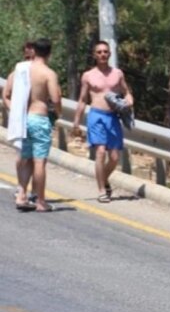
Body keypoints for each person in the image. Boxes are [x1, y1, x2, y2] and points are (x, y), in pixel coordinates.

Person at [3, 38, 62, 212]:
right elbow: (55, 98)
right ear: (49, 53)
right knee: (39, 162)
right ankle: (41, 201)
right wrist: (58, 112)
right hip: (39, 117)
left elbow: (10, 94)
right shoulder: (48, 73)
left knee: (26, 158)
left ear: (34, 51)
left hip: (24, 119)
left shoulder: (21, 70)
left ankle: (21, 194)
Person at [72, 40, 134, 203]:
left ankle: (103, 179)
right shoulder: (88, 75)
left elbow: (126, 92)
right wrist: (76, 122)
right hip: (96, 116)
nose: (102, 55)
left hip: (113, 117)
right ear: (94, 55)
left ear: (110, 54)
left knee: (114, 157)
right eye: (99, 52)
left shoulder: (118, 74)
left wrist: (129, 101)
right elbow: (82, 99)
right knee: (100, 152)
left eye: (105, 52)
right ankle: (101, 190)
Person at [3, 41, 36, 207]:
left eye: (33, 55)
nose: (29, 58)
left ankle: (33, 191)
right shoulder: (15, 74)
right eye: (27, 55)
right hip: (19, 120)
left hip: (35, 119)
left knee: (35, 157)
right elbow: (6, 95)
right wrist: (15, 111)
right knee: (22, 156)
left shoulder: (41, 73)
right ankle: (21, 187)